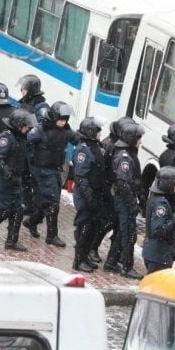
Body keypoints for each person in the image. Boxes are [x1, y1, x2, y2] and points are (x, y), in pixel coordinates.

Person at [0, 109, 37, 252]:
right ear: (18, 125)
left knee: (18, 210)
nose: (28, 129)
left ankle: (11, 241)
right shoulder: (6, 138)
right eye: (25, 126)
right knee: (1, 212)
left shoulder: (21, 138)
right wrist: (6, 172)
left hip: (15, 180)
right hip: (2, 182)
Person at [24, 101, 79, 246]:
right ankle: (51, 235)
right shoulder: (42, 129)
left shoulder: (66, 130)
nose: (63, 122)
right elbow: (26, 140)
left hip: (55, 170)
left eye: (65, 119)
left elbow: (77, 140)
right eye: (61, 119)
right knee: (53, 203)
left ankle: (32, 221)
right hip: (41, 170)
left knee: (46, 202)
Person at [92, 116, 134, 269]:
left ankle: (115, 254)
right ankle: (92, 247)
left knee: (115, 224)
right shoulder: (108, 145)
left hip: (112, 189)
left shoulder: (119, 146)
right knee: (106, 222)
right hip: (106, 189)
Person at [107, 122, 145, 280]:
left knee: (122, 232)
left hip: (125, 199)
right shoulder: (124, 157)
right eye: (138, 138)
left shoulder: (128, 153)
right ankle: (127, 267)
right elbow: (122, 183)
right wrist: (132, 203)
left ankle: (111, 261)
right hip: (124, 200)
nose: (140, 141)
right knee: (129, 233)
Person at [71, 116, 107, 272]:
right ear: (91, 132)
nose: (100, 133)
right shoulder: (83, 149)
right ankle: (78, 261)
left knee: (92, 226)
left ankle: (85, 256)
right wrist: (89, 197)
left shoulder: (94, 147)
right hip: (85, 194)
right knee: (84, 226)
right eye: (98, 131)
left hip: (94, 192)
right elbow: (81, 176)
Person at [142, 166, 175, 274]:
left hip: (157, 253)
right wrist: (173, 221)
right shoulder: (161, 203)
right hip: (158, 254)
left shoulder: (159, 198)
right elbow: (157, 230)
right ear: (169, 184)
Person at [16, 74, 50, 221]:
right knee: (23, 176)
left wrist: (31, 135)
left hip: (34, 149)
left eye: (24, 88)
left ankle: (38, 209)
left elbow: (43, 126)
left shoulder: (41, 107)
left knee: (35, 179)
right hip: (23, 146)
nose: (22, 91)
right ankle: (27, 204)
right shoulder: (24, 103)